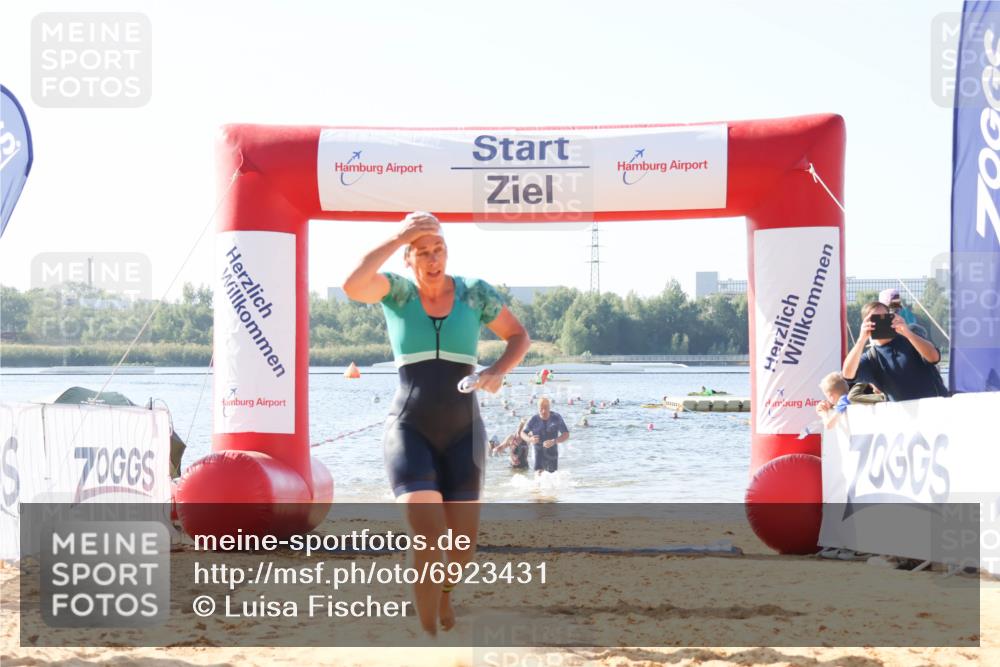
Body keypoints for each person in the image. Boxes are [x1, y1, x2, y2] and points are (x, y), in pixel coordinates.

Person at [342, 211, 530, 635]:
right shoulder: (398, 294)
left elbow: (519, 337)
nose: (432, 258)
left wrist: (497, 370)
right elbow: (353, 285)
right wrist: (398, 236)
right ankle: (427, 640)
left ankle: (444, 595)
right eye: (422, 252)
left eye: (438, 249)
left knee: (461, 550)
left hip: (465, 431)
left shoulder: (474, 294)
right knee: (428, 542)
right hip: (410, 429)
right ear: (408, 259)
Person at [842, 301, 949, 402]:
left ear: (891, 317)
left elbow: (934, 357)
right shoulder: (871, 358)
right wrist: (861, 340)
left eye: (885, 317)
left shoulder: (911, 337)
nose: (881, 322)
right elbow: (847, 374)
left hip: (937, 408)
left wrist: (907, 332)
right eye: (875, 319)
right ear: (866, 324)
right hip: (905, 418)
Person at [523, 397, 570, 474]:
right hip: (538, 453)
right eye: (541, 409)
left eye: (546, 408)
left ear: (549, 407)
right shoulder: (534, 419)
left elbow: (566, 434)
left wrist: (554, 441)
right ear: (538, 408)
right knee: (538, 476)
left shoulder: (556, 417)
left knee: (552, 478)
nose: (543, 411)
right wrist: (530, 439)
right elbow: (522, 433)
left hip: (552, 453)